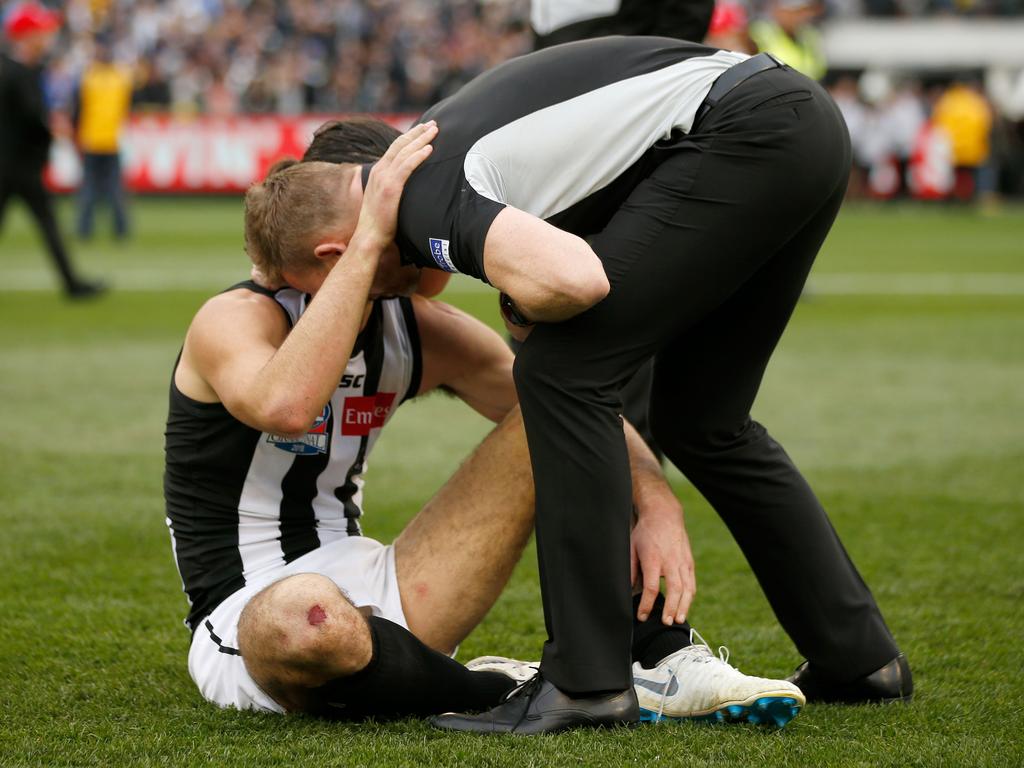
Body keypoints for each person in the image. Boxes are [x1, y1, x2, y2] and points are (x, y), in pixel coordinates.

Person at [249, 36, 913, 734]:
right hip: (793, 125)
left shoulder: (415, 192)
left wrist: (529, 297)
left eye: (327, 293)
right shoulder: (433, 159)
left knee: (563, 374)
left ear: (336, 252)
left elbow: (577, 279)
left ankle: (586, 683)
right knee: (704, 419)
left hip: (746, 131)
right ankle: (858, 658)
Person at [168, 121, 805, 726]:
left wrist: (655, 498)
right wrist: (367, 243)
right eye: (407, 215)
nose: (430, 223)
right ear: (345, 247)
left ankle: (660, 657)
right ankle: (504, 686)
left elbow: (573, 406)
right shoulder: (235, 319)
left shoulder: (415, 327)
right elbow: (285, 406)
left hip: (382, 579)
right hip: (255, 607)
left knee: (552, 399)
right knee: (301, 623)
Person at [0, 2, 106, 298]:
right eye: (41, 31)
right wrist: (53, 126)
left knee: (49, 224)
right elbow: (31, 116)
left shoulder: (22, 69)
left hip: (20, 167)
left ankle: (72, 284)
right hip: (13, 167)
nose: (48, 36)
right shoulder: (14, 72)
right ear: (25, 36)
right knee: (49, 224)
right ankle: (73, 284)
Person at [74, 37, 133, 241]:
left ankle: (84, 230)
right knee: (115, 189)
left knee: (89, 188)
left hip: (91, 139)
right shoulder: (120, 79)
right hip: (112, 140)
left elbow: (78, 109)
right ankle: (121, 230)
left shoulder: (88, 78)